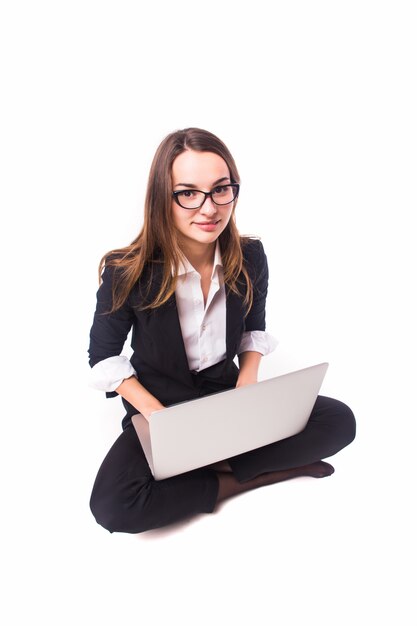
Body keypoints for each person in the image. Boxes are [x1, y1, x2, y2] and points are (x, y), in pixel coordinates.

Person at [88, 127, 356, 534]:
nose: (208, 208)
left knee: (339, 421)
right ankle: (242, 477)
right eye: (188, 193)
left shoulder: (250, 256)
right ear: (164, 197)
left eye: (220, 189)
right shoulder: (127, 269)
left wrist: (247, 385)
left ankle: (207, 461)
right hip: (162, 405)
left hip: (225, 397)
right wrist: (161, 420)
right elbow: (104, 357)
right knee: (113, 506)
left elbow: (253, 329)